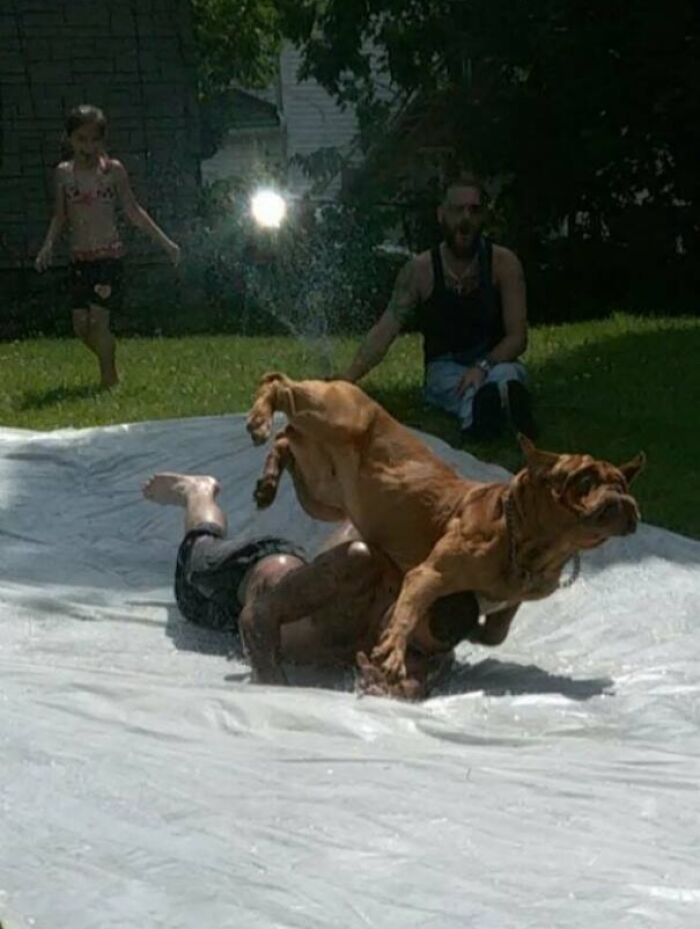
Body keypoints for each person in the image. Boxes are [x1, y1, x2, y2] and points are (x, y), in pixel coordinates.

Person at [142, 471, 519, 699]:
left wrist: (398, 691)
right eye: (402, 629)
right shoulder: (358, 568)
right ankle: (197, 491)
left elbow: (420, 679)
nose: (401, 644)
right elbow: (256, 617)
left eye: (415, 647)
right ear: (402, 597)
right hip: (250, 583)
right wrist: (273, 691)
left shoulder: (432, 637)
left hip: (301, 607)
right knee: (197, 557)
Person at [340, 173, 537, 441]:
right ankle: (482, 416)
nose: (466, 219)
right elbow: (386, 329)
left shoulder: (504, 263)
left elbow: (517, 337)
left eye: (474, 210)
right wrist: (347, 378)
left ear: (483, 217)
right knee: (459, 387)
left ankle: (504, 405)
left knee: (507, 374)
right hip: (445, 367)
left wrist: (482, 366)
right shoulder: (420, 271)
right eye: (458, 210)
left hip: (493, 361)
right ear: (441, 215)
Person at [35, 104, 181, 388]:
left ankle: (109, 379)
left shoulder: (112, 171)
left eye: (94, 140)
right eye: (81, 139)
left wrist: (166, 243)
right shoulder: (64, 174)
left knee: (98, 324)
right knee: (81, 327)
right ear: (69, 139)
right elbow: (60, 216)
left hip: (108, 258)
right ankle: (110, 362)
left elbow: (133, 211)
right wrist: (48, 245)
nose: (88, 147)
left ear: (102, 141)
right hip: (80, 259)